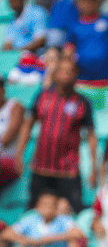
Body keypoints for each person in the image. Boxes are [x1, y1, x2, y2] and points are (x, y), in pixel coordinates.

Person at [16, 58, 95, 211]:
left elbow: (91, 136)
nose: (66, 74)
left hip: (68, 170)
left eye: (70, 71)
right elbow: (27, 125)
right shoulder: (42, 97)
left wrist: (93, 166)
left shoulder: (82, 102)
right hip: (41, 167)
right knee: (34, 210)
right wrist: (19, 153)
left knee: (73, 210)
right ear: (55, 74)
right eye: (62, 70)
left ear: (76, 74)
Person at [5, 190, 81, 247]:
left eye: (51, 205)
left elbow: (78, 234)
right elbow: (7, 233)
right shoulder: (30, 221)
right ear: (38, 207)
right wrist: (27, 241)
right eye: (44, 204)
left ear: (56, 207)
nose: (47, 208)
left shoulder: (64, 221)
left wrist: (50, 239)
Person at [64, 0, 108, 88]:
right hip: (83, 79)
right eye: (84, 2)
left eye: (91, 1)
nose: (87, 4)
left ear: (97, 3)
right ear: (78, 4)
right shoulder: (74, 26)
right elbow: (69, 49)